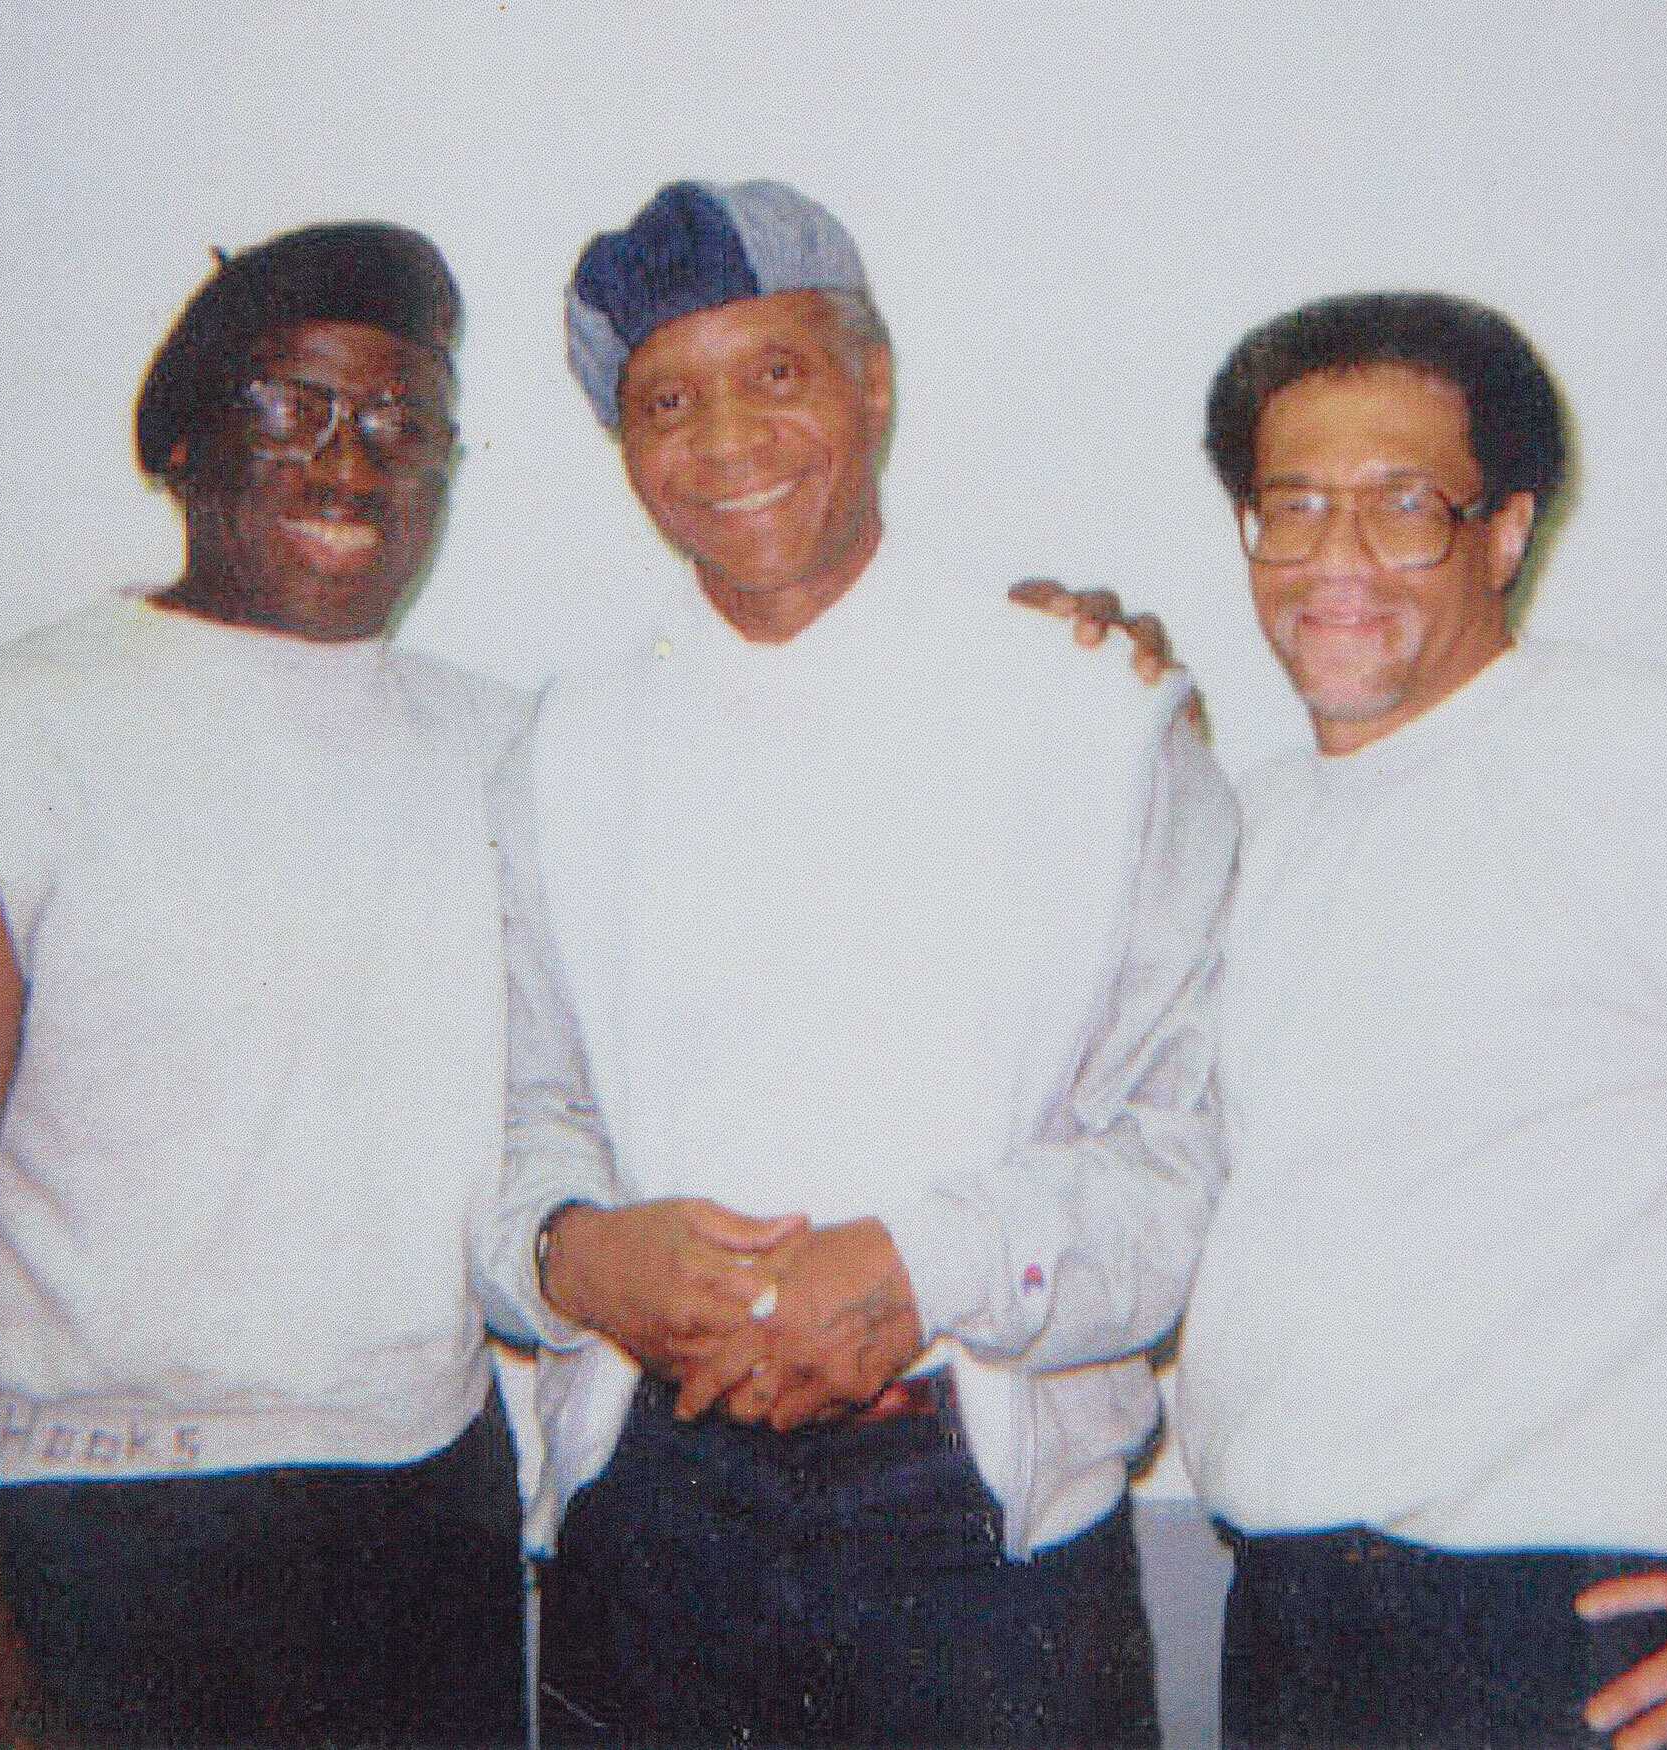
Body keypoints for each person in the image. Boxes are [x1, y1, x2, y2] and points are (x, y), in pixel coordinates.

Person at [510, 179, 1238, 1748]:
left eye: (775, 374)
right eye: (665, 402)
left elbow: (1180, 1167)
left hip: (976, 1514)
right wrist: (574, 1253)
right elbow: (518, 1120)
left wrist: (922, 1262)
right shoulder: (564, 743)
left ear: (874, 377)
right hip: (652, 1504)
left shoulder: (1093, 713)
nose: (725, 442)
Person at [1173, 290, 1667, 1748]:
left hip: (1598, 1647)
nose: (1335, 559)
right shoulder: (1246, 825)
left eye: (1400, 506)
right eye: (1290, 505)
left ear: (1503, 530)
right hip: (1297, 1635)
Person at [0, 222, 598, 1747]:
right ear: (179, 444)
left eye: (401, 422)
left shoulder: (510, 745)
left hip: (429, 1505)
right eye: (291, 407)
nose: (350, 463)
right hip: (97, 1527)